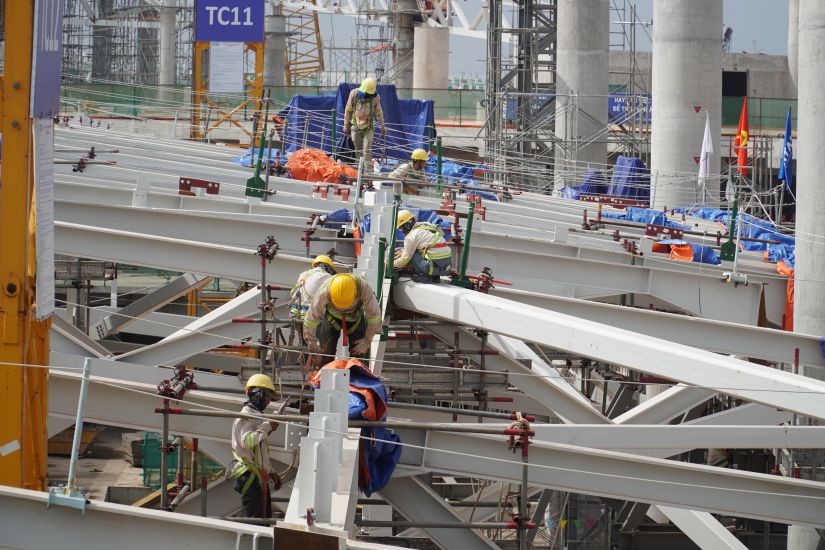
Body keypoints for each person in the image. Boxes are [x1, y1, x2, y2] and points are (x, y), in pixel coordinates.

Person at [229, 374, 282, 519]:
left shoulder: (256, 415)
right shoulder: (245, 416)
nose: (269, 401)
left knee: (263, 517)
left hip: (257, 476)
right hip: (249, 476)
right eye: (267, 397)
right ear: (258, 394)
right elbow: (247, 441)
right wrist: (267, 426)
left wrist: (271, 471)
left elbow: (260, 451)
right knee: (254, 519)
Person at [303, 273, 382, 363]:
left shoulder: (363, 288)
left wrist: (367, 341)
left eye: (346, 306)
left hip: (355, 318)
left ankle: (356, 374)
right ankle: (324, 373)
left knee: (358, 356)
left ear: (355, 293)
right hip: (331, 318)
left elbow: (374, 316)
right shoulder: (324, 292)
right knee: (325, 354)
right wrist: (313, 346)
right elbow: (311, 319)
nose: (343, 309)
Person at [393, 210, 452, 282]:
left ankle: (424, 276)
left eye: (401, 228)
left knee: (413, 254)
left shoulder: (411, 236)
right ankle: (435, 277)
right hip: (446, 267)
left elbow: (404, 260)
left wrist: (391, 264)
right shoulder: (427, 226)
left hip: (434, 267)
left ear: (406, 226)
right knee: (425, 251)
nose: (401, 231)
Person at [343, 77, 386, 173]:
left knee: (367, 150)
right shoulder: (354, 94)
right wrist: (346, 124)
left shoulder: (375, 98)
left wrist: (383, 126)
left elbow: (379, 112)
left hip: (368, 127)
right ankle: (359, 172)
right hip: (355, 126)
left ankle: (369, 173)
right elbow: (348, 109)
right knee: (358, 150)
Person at [289, 255, 337, 322]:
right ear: (328, 267)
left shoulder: (304, 274)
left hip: (294, 312)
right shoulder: (327, 276)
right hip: (309, 314)